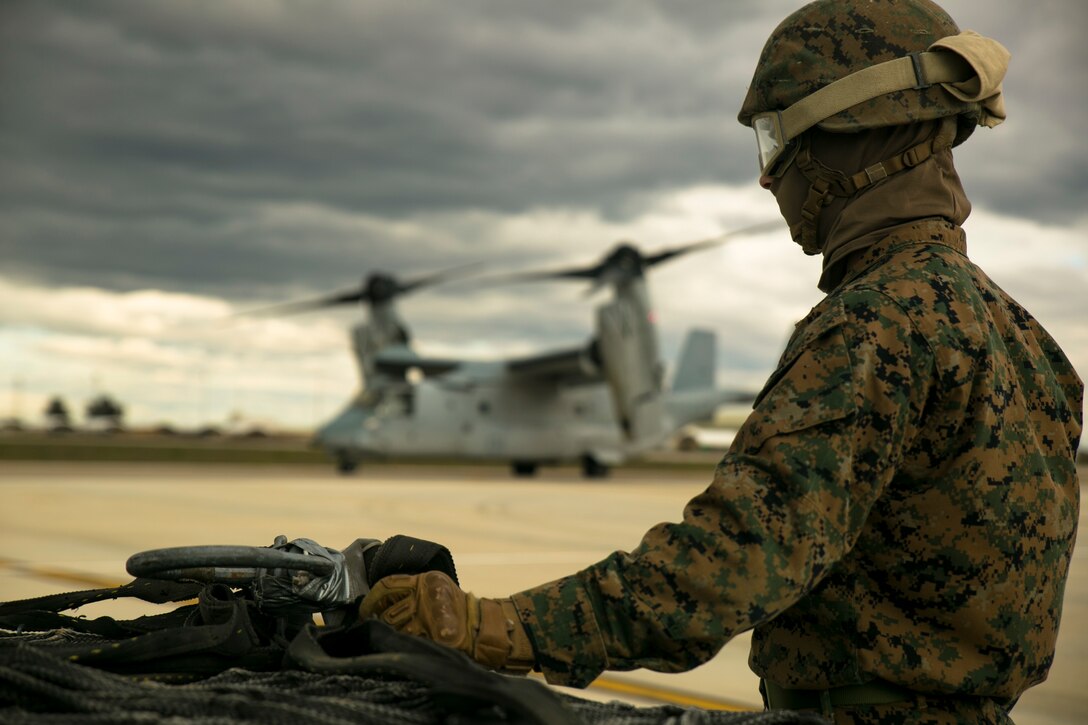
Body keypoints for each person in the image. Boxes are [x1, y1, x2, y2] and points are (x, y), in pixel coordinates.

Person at [358, 1, 1083, 722]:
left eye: (775, 138)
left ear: (850, 134)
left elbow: (733, 561)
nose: (768, 179)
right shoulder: (1028, 339)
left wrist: (492, 626)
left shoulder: (877, 323)